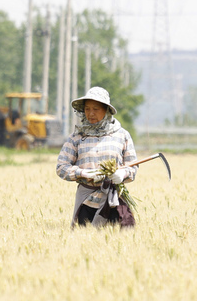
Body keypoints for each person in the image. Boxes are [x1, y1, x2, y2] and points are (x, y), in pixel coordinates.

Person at [56, 86, 137, 227]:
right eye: (87, 109)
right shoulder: (77, 137)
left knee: (121, 241)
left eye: (96, 109)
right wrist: (83, 173)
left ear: (106, 110)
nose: (90, 113)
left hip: (114, 200)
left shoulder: (122, 135)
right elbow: (61, 167)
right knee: (84, 243)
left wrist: (123, 173)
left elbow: (133, 166)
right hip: (87, 202)